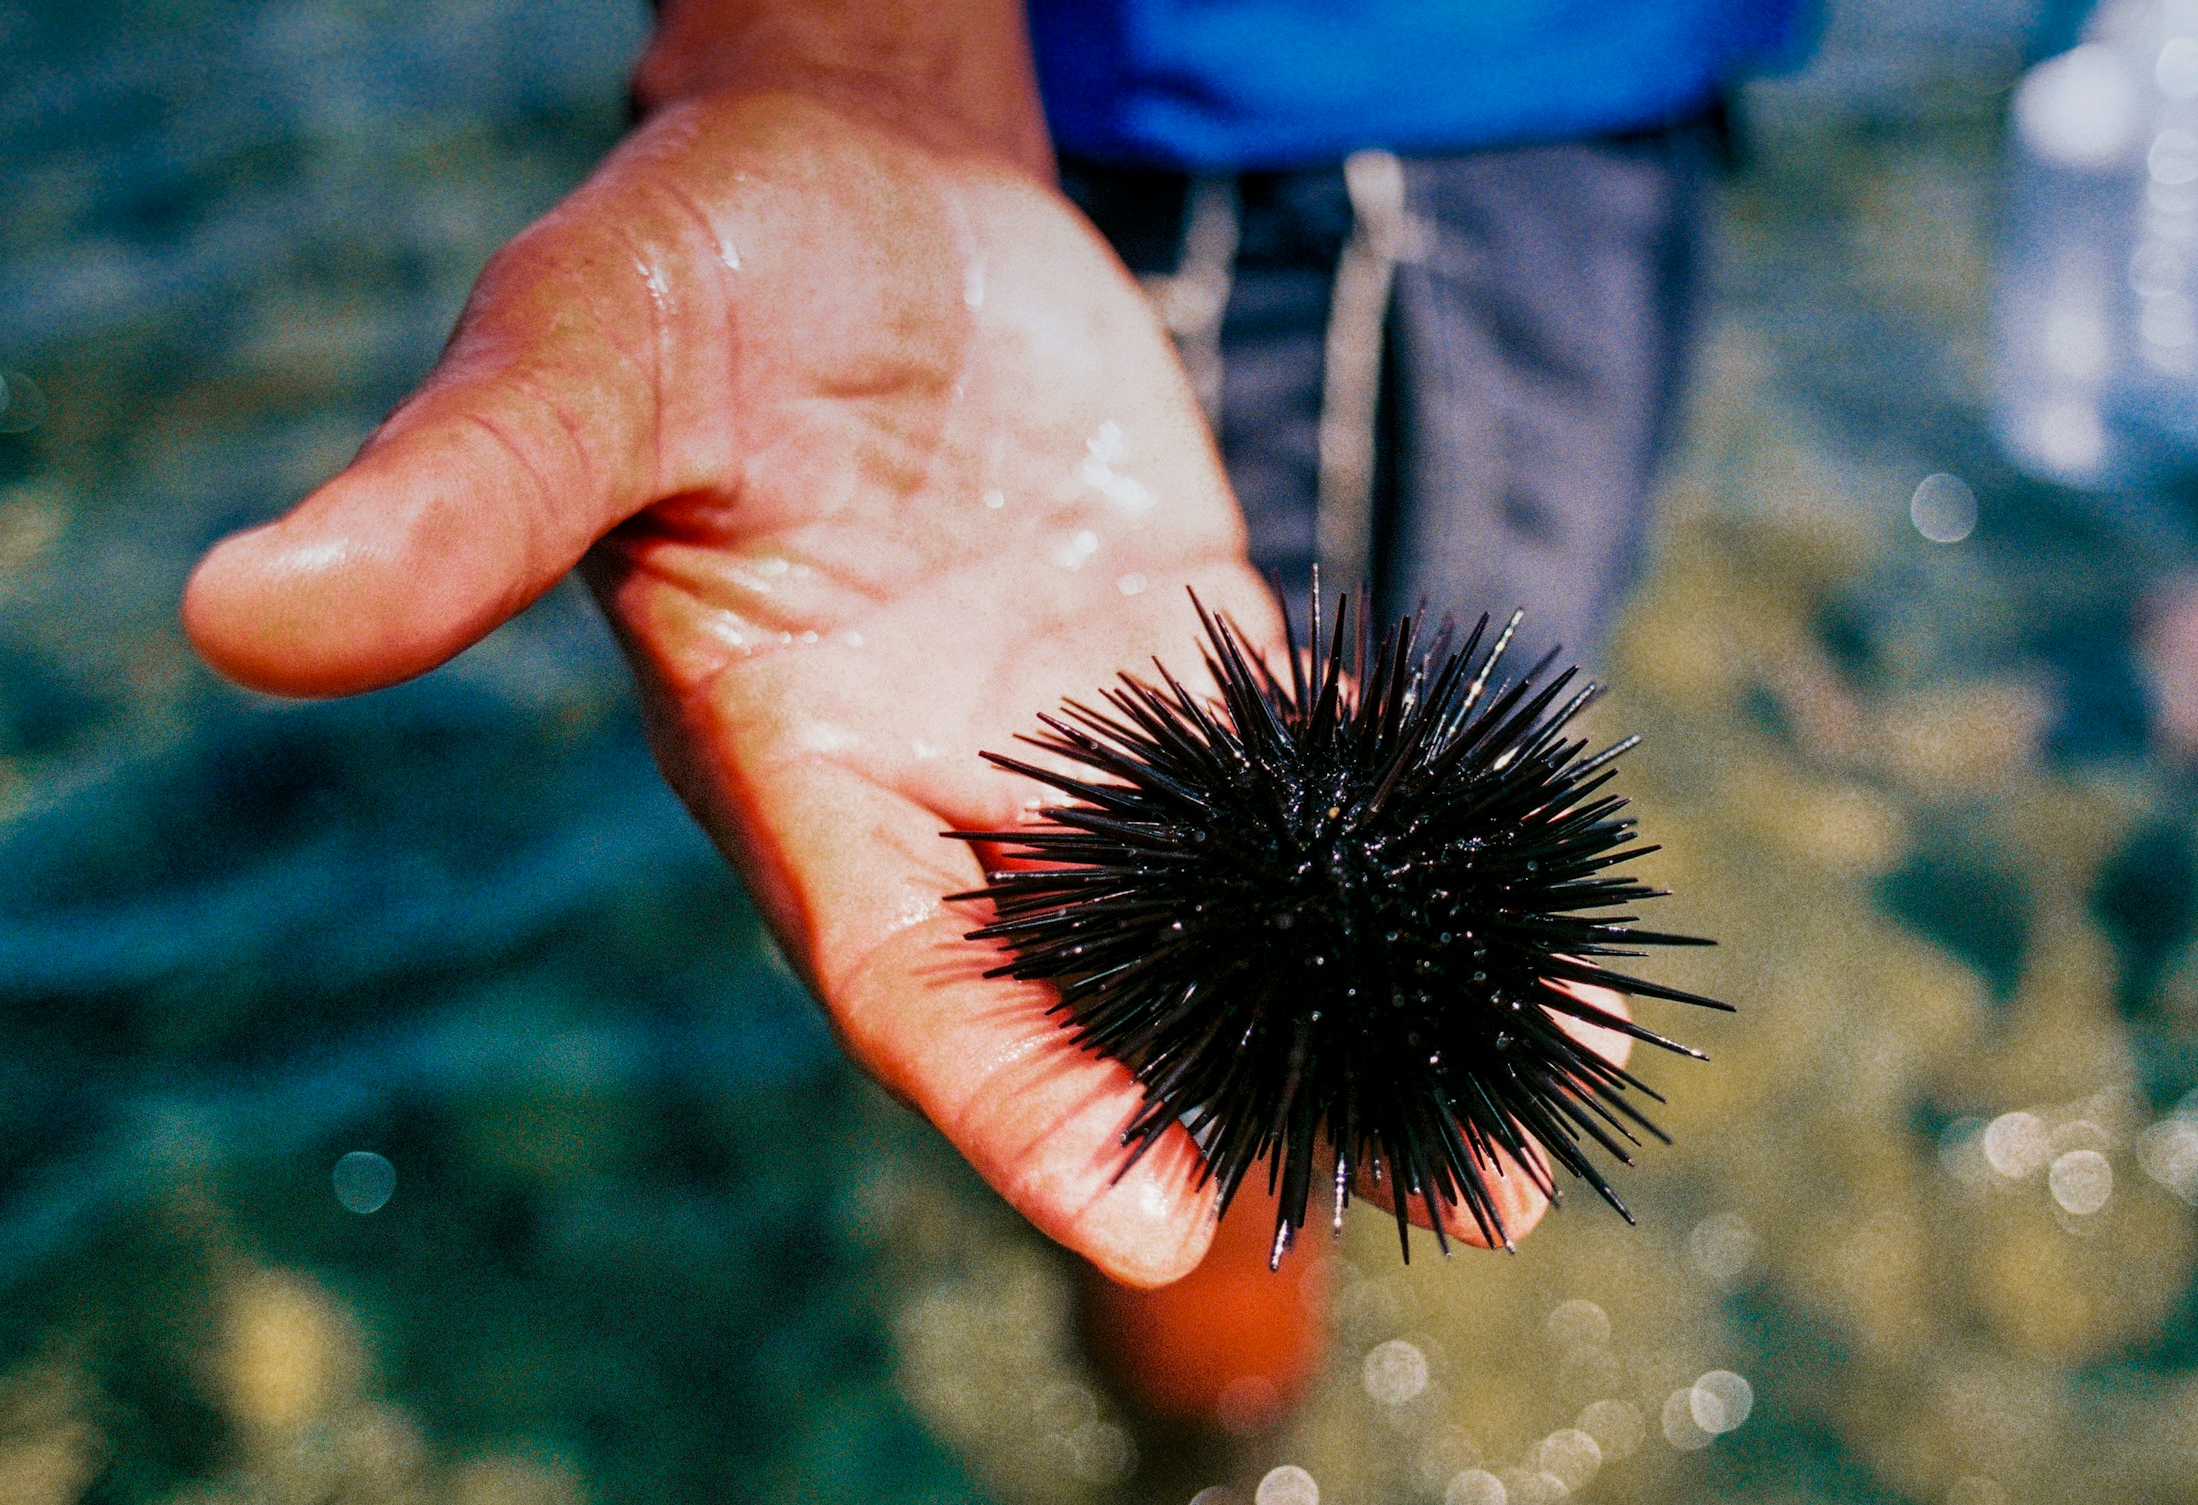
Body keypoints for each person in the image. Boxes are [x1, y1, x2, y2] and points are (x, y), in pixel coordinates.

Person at [181, 0, 1798, 1413]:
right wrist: (838, 61)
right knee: (1205, 1109)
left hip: (1602, 88)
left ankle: (1204, 1480)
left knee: (1357, 858)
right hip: (1304, 128)